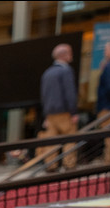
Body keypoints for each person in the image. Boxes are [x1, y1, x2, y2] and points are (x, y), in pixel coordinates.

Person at [38, 43, 79, 171]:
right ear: (64, 55)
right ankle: (69, 165)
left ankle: (51, 166)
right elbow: (70, 93)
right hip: (64, 112)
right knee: (70, 139)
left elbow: (43, 95)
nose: (71, 55)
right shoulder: (66, 71)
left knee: (51, 142)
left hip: (50, 113)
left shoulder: (47, 73)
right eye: (70, 52)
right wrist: (73, 112)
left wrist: (46, 115)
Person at [98, 40, 110, 164]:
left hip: (108, 107)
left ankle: (108, 162)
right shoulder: (109, 65)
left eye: (106, 50)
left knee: (109, 138)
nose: (105, 52)